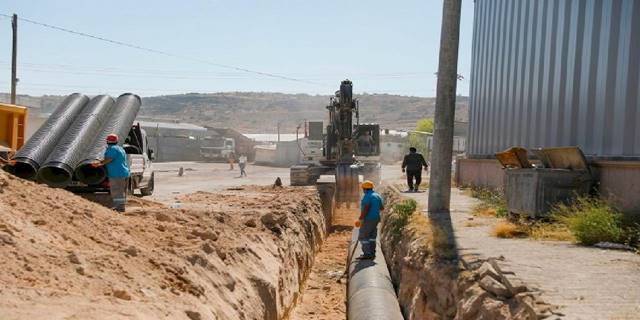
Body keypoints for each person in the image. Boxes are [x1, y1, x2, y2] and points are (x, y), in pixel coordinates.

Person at [92, 134, 130, 212]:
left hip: (117, 174)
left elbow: (109, 159)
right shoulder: (120, 148)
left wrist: (98, 164)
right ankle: (121, 207)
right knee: (121, 191)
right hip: (124, 173)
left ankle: (119, 208)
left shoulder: (111, 149)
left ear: (107, 141)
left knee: (116, 191)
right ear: (116, 141)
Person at [355, 180, 384, 260]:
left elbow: (366, 208)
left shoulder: (367, 196)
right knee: (372, 236)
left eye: (363, 189)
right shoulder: (377, 195)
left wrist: (360, 218)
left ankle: (367, 254)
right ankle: (372, 252)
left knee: (364, 236)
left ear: (365, 189)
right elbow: (382, 208)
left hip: (368, 219)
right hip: (376, 219)